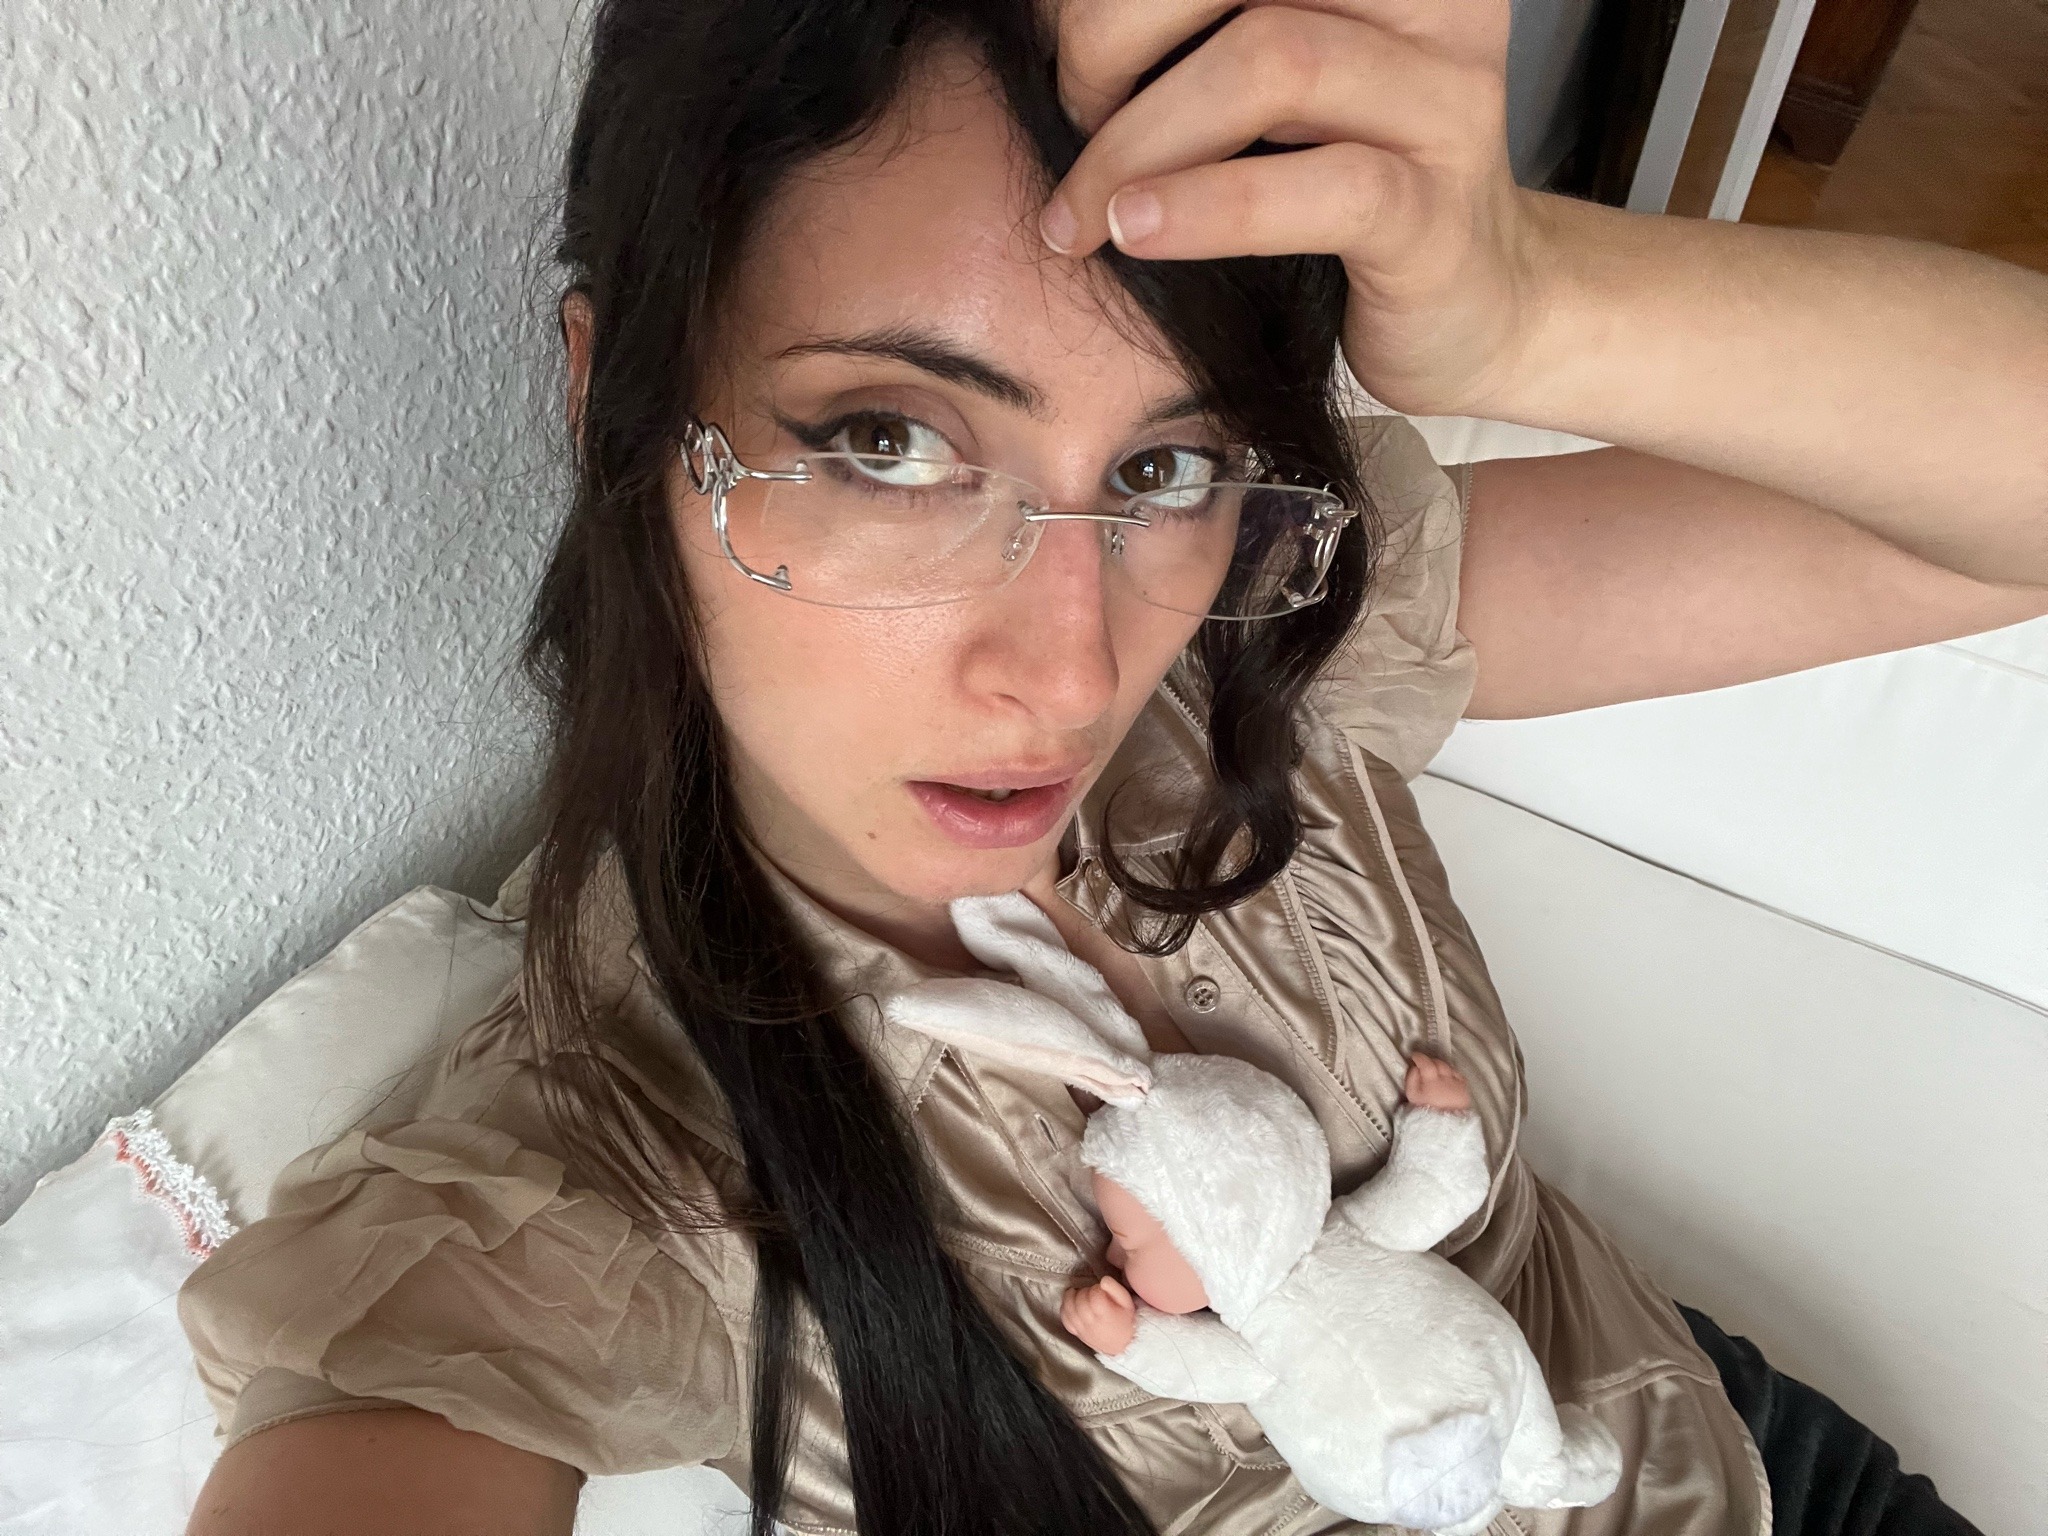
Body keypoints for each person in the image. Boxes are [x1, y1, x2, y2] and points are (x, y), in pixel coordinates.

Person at [175, 2, 2048, 1533]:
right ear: (614, 401)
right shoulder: (590, 1174)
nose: (1070, 667)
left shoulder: (1260, 638)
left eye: (1162, 464)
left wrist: (1537, 296)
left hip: (1742, 1456)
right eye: (890, 441)